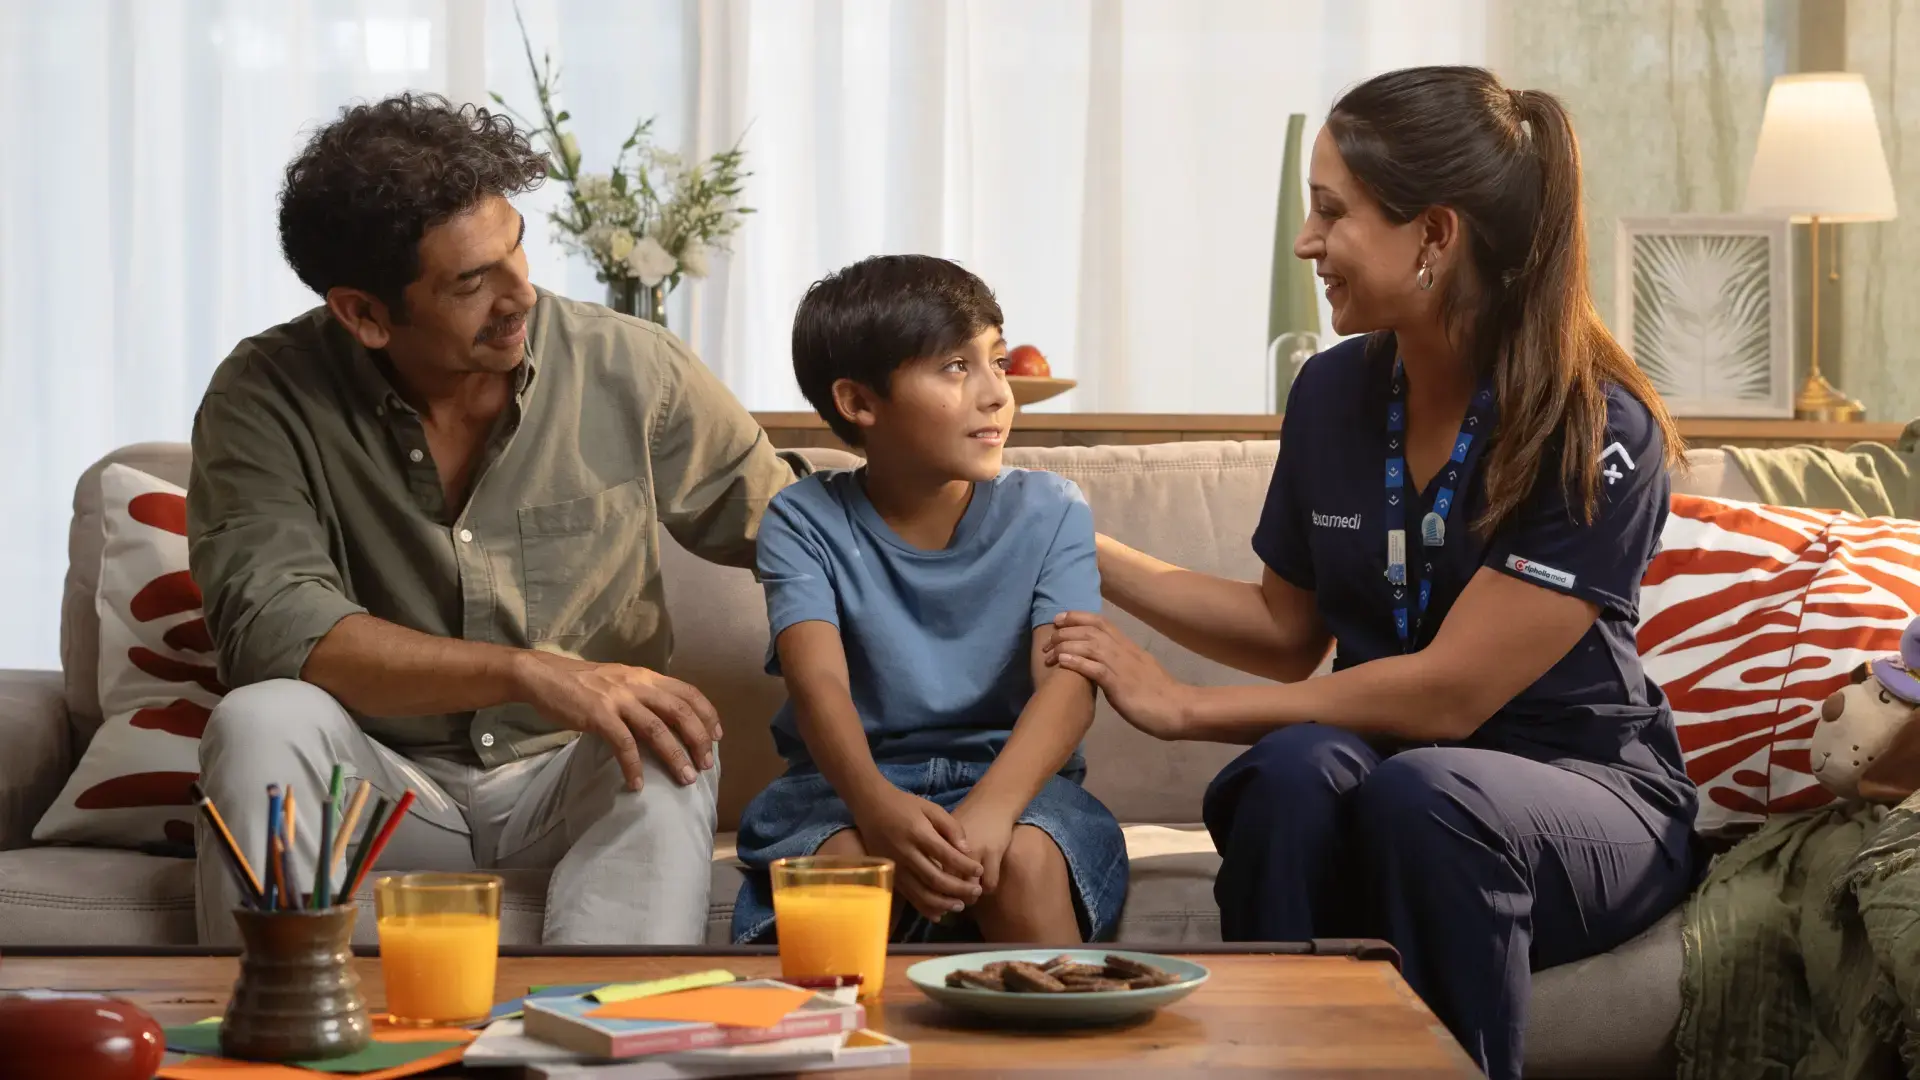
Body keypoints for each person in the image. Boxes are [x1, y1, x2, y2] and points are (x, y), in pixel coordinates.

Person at [1044, 67, 1699, 1078]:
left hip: (1584, 793)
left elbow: (1451, 693)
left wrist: (1181, 707)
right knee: (1288, 777)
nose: (1307, 243)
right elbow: (1283, 626)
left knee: (1429, 797)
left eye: (1331, 211)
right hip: (1394, 775)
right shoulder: (1334, 391)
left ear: (1434, 234)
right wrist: (1072, 539)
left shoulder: (1597, 425)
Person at [187, 93, 802, 945]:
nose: (521, 296)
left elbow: (800, 535)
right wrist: (527, 671)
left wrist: (1004, 553)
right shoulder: (264, 396)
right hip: (376, 781)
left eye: (517, 250)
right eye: (471, 283)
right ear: (364, 314)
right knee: (261, 718)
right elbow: (279, 632)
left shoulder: (632, 367)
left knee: (666, 736)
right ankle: (286, 1036)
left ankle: (603, 1045)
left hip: (573, 776)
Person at [730, 255, 1126, 945]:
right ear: (859, 403)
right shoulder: (801, 521)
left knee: (1026, 864)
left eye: (997, 361)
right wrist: (877, 806)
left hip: (1016, 780)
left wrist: (994, 811)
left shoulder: (1052, 509)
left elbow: (1066, 686)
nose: (997, 393)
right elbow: (817, 682)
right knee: (844, 877)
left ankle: (1061, 1050)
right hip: (849, 789)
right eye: (954, 367)